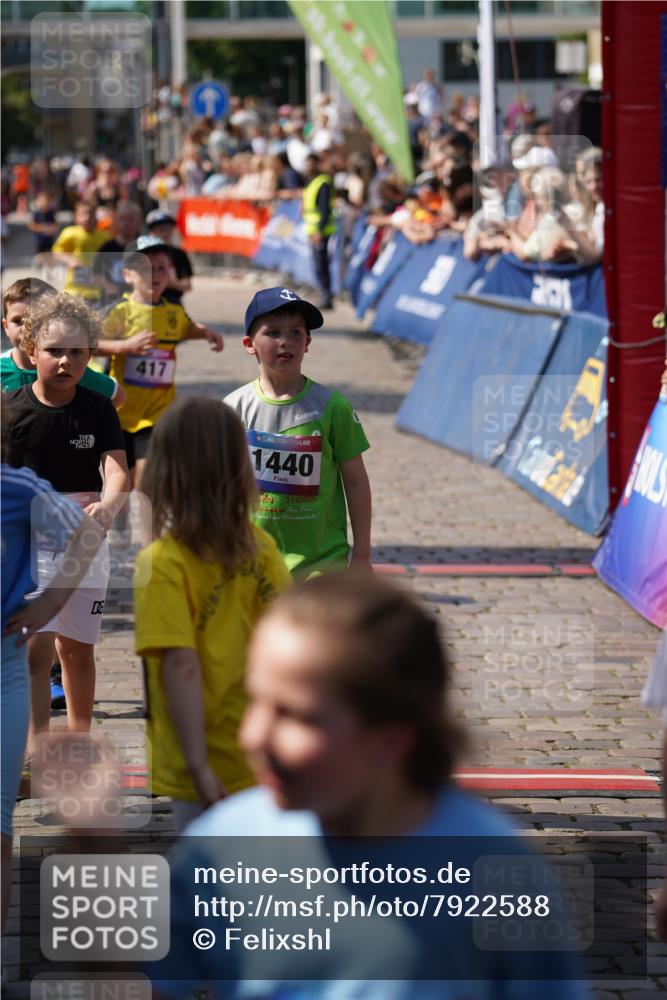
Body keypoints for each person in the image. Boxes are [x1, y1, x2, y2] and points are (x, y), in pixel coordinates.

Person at [151, 574, 586, 997]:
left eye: (296, 716)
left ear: (391, 740)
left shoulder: (496, 872)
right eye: (255, 701)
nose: (253, 736)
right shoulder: (225, 844)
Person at [133, 396, 291, 832]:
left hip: (200, 761)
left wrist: (199, 765)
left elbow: (180, 666)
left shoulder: (162, 562)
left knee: (211, 889)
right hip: (264, 751)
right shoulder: (263, 548)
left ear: (163, 471)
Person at [6, 293, 129, 758]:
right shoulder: (11, 409)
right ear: (32, 349)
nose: (65, 361)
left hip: (84, 538)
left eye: (77, 352)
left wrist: (110, 506)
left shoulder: (98, 409)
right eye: (55, 350)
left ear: (89, 357)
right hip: (28, 541)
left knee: (77, 649)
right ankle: (34, 749)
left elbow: (116, 471)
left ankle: (80, 742)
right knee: (35, 649)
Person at [1, 404, 105, 929]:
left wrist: (44, 606)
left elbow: (87, 536)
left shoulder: (18, 487)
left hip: (5, 671)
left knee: (0, 831)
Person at [224, 287, 371, 579]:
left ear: (308, 343)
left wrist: (363, 554)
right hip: (251, 567)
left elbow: (355, 482)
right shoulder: (233, 409)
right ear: (249, 344)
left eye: (295, 333)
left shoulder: (333, 407)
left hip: (322, 565)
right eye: (273, 332)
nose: (285, 342)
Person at [96, 236, 223, 523]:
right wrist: (123, 347)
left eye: (162, 268)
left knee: (148, 481)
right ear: (128, 274)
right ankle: (115, 528)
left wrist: (206, 333)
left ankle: (149, 545)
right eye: (146, 268)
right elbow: (89, 344)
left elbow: (186, 328)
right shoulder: (120, 312)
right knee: (122, 484)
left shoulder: (173, 312)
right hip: (119, 414)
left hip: (156, 415)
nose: (155, 275)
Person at [1, 277, 124, 408]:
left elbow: (118, 396)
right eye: (18, 321)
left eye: (35, 320)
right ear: (6, 326)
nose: (26, 328)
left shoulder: (70, 371)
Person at [50, 200, 109, 302]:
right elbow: (56, 252)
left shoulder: (104, 236)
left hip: (96, 288)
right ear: (76, 217)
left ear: (95, 216)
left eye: (90, 214)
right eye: (83, 214)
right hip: (74, 287)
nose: (87, 217)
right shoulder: (70, 233)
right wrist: (69, 260)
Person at [302, 152, 336, 310]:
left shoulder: (323, 183)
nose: (309, 167)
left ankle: (327, 297)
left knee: (322, 265)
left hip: (321, 231)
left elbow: (324, 209)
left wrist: (319, 231)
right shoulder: (311, 182)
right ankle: (323, 294)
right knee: (317, 265)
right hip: (313, 229)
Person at [145, 210, 194, 305]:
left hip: (173, 303)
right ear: (151, 232)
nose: (165, 232)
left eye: (168, 228)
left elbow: (187, 285)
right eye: (160, 229)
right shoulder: (144, 253)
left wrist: (168, 283)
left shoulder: (179, 254)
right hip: (147, 304)